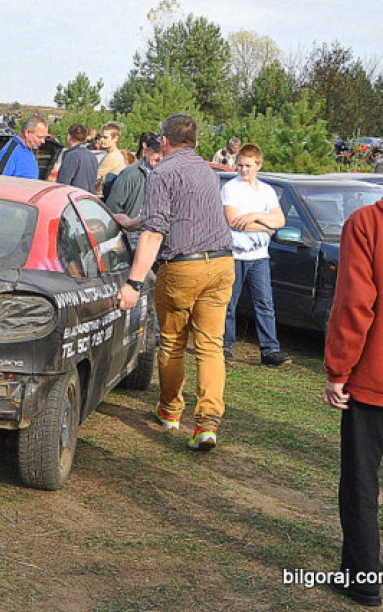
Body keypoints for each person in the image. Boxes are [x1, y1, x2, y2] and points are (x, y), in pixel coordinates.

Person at [117, 114, 234, 452]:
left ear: (164, 141)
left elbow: (154, 233)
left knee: (172, 342)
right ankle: (207, 424)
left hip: (182, 267)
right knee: (211, 345)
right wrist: (133, 220)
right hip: (222, 263)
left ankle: (170, 411)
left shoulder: (161, 172)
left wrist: (133, 283)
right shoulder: (208, 172)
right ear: (195, 141)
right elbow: (174, 214)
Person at [323, 194, 383, 608]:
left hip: (372, 378)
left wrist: (338, 370)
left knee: (362, 482)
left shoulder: (367, 223)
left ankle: (364, 579)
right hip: (371, 378)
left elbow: (353, 304)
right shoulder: (366, 223)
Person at [221, 144, 287, 366]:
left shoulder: (266, 191)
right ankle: (225, 346)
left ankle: (270, 349)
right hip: (236, 255)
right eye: (239, 165)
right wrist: (265, 227)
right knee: (230, 302)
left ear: (258, 165)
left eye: (248, 166)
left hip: (259, 256)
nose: (243, 170)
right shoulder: (230, 188)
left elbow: (279, 221)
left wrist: (254, 216)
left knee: (265, 303)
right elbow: (233, 222)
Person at [105, 136, 163, 228]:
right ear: (146, 152)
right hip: (134, 233)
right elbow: (113, 207)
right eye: (156, 153)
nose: (160, 158)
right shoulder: (130, 174)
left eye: (164, 153)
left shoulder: (167, 174)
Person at [56, 124, 99, 191]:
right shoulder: (92, 156)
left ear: (69, 137)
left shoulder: (71, 156)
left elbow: (62, 184)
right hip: (88, 198)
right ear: (85, 139)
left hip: (73, 198)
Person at [94, 122, 128, 196]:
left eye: (105, 137)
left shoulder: (112, 156)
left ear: (115, 138)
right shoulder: (114, 154)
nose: (102, 140)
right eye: (101, 137)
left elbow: (95, 177)